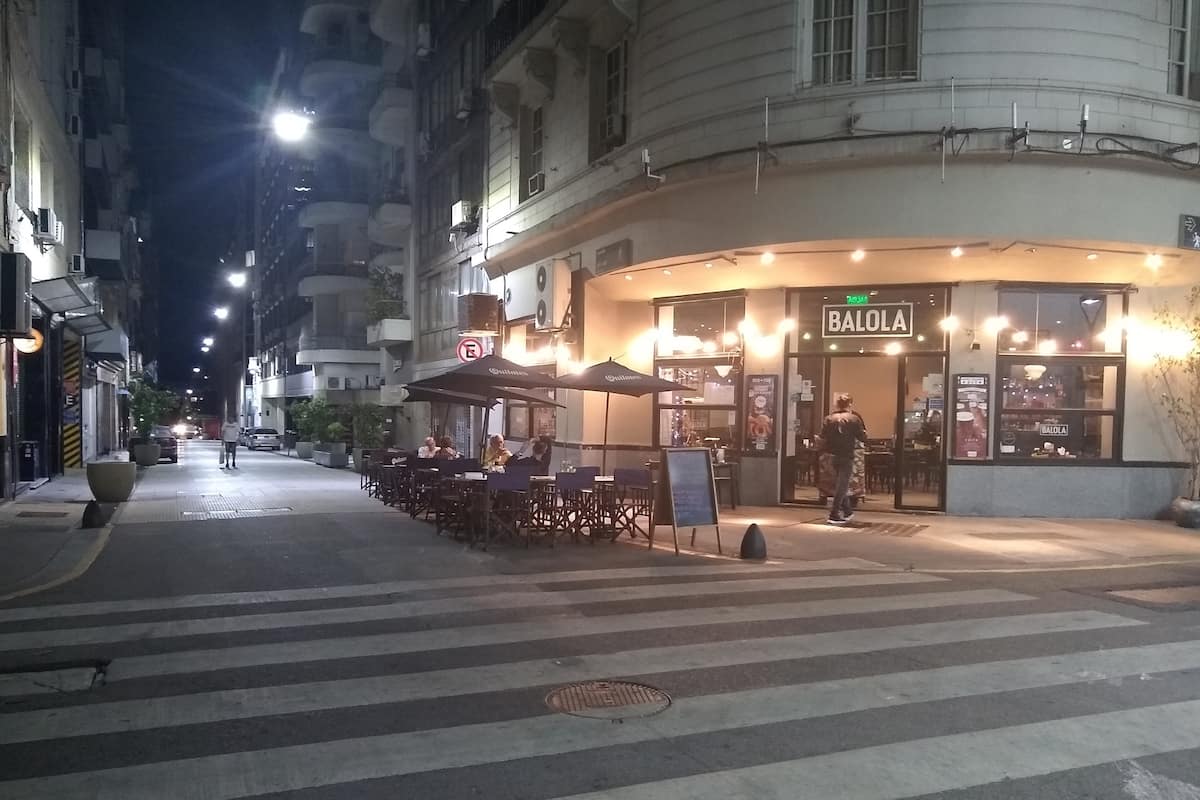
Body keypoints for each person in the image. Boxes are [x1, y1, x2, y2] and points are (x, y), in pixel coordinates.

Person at [819, 393, 867, 525]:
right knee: (842, 486)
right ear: (849, 404)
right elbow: (862, 437)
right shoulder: (854, 419)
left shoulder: (829, 419)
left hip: (832, 455)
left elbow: (822, 436)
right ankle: (834, 514)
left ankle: (847, 511)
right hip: (847, 455)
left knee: (840, 484)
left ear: (837, 404)